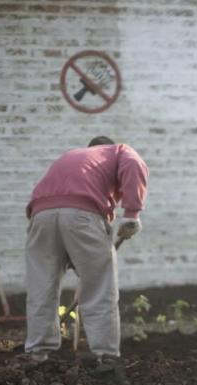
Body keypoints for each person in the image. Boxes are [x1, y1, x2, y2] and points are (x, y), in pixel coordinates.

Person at [24, 136, 148, 364]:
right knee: (100, 285)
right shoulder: (118, 151)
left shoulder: (72, 156)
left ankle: (38, 352)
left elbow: (57, 208)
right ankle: (106, 355)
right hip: (82, 214)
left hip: (40, 215)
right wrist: (132, 215)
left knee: (42, 284)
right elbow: (134, 163)